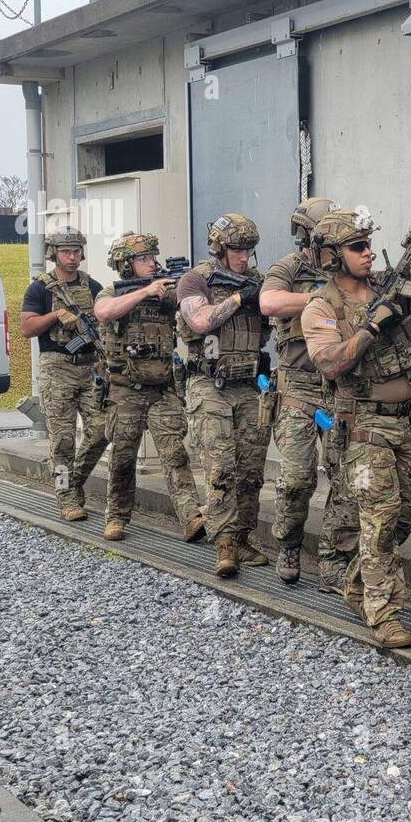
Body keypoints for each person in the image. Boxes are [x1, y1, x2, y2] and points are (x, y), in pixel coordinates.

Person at [300, 204, 411, 648]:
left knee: (406, 513)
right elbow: (331, 363)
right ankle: (383, 612)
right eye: (357, 247)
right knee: (379, 516)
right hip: (361, 425)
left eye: (370, 244)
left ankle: (358, 581)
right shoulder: (322, 306)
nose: (368, 253)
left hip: (405, 423)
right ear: (333, 256)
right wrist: (374, 324)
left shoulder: (392, 286)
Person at [260, 198, 359, 589]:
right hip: (298, 388)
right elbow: (269, 301)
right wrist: (324, 299)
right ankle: (288, 544)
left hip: (339, 389)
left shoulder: (347, 266)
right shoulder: (290, 267)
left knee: (346, 478)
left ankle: (335, 559)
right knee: (298, 476)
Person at [92, 232, 205, 543]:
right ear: (126, 265)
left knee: (174, 452)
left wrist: (176, 290)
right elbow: (103, 312)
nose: (151, 263)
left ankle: (191, 516)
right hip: (125, 389)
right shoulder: (111, 292)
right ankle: (116, 517)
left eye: (152, 257)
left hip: (163, 389)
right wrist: (145, 293)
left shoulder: (164, 291)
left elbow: (191, 309)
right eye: (143, 259)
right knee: (124, 456)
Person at [176, 214, 273, 577]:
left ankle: (244, 538)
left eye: (249, 250)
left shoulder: (259, 281)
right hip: (210, 383)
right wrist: (238, 297)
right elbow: (200, 322)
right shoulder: (195, 279)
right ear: (219, 246)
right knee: (220, 468)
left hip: (250, 384)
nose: (244, 256)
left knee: (250, 469)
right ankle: (225, 543)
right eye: (236, 249)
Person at [20, 226, 108, 521]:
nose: (72, 257)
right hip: (56, 367)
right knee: (62, 441)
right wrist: (55, 315)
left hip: (89, 367)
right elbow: (26, 328)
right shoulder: (40, 288)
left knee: (102, 429)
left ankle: (73, 482)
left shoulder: (92, 286)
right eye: (66, 251)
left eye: (76, 251)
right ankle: (66, 497)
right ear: (53, 254)